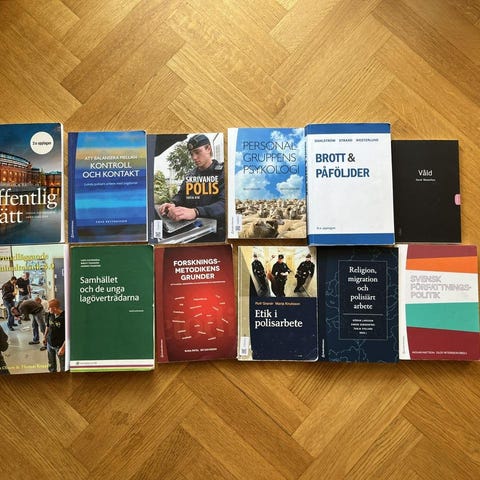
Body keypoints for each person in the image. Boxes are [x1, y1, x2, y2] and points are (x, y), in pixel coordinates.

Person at [158, 134, 225, 240]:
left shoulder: (223, 172)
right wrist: (173, 204)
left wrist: (196, 212)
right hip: (190, 233)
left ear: (208, 148)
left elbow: (225, 204)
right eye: (191, 154)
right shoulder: (191, 175)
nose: (194, 157)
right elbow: (181, 195)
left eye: (197, 152)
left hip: (216, 235)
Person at [43, 299, 65, 373]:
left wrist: (63, 348)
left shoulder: (65, 317)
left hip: (59, 346)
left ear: (54, 308)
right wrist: (45, 337)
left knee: (63, 366)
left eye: (49, 308)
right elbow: (48, 326)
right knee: (51, 364)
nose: (48, 309)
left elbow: (69, 334)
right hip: (50, 344)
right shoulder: (50, 314)